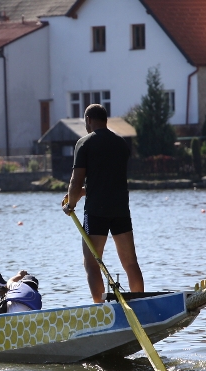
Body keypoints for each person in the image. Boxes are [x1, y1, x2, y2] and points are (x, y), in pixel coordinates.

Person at [62, 104, 144, 303]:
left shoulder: (84, 143)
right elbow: (108, 178)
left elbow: (75, 182)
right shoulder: (121, 143)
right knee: (130, 263)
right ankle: (141, 303)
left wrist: (70, 204)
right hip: (120, 210)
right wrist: (85, 191)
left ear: (88, 120)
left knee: (91, 263)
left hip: (96, 212)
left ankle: (100, 309)